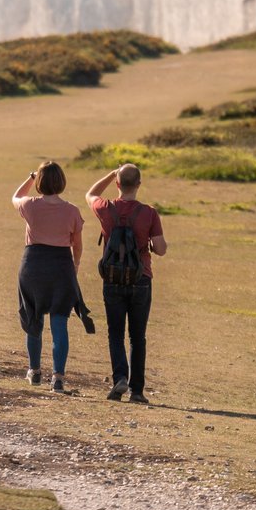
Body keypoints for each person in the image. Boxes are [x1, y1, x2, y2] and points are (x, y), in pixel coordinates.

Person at [86, 163, 167, 404]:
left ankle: (120, 377)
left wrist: (111, 174)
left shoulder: (105, 208)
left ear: (118, 184)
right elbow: (161, 249)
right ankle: (137, 391)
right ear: (139, 184)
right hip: (141, 278)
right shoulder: (149, 213)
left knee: (115, 333)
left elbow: (90, 194)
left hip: (112, 278)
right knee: (137, 336)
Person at [13, 161, 84, 393]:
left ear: (40, 183)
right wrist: (75, 266)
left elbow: (16, 196)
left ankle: (34, 371)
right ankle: (58, 378)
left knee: (33, 319)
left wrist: (31, 177)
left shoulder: (30, 205)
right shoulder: (72, 211)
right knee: (59, 322)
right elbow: (77, 246)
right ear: (62, 182)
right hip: (61, 266)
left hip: (33, 265)